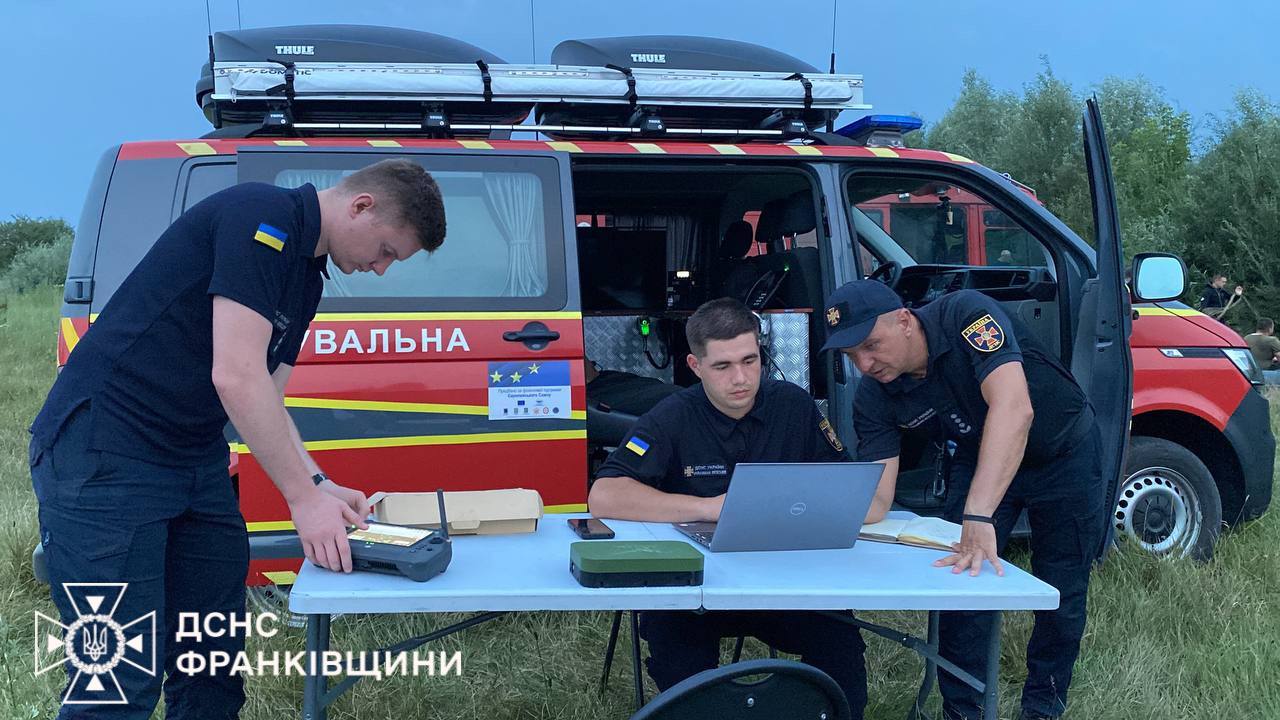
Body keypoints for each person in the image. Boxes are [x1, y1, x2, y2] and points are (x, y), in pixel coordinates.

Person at [28, 158, 446, 719]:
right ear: (361, 205)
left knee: (210, 665)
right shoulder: (259, 215)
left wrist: (318, 483)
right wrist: (301, 501)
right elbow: (235, 374)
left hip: (191, 458)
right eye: (387, 250)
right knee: (119, 679)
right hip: (106, 454)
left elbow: (267, 393)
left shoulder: (306, 276)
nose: (381, 269)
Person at [821, 280, 1106, 720]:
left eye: (871, 345)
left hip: (1063, 450)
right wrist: (809, 516)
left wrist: (978, 513)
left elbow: (1015, 408)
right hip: (978, 454)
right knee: (959, 588)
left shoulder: (967, 315)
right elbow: (877, 500)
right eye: (850, 354)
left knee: (1061, 589)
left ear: (904, 320)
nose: (864, 363)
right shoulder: (875, 396)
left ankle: (1044, 706)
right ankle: (963, 710)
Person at [589, 298, 869, 717]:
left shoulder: (793, 405)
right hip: (695, 586)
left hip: (785, 577)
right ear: (695, 365)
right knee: (680, 667)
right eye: (722, 366)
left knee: (841, 649)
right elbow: (604, 495)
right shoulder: (671, 416)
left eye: (750, 361)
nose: (740, 378)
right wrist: (708, 507)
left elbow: (844, 482)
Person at [1244, 317, 1280, 384]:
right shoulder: (1272, 340)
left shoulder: (1246, 338)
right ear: (1270, 329)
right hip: (1267, 371)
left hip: (1249, 371)